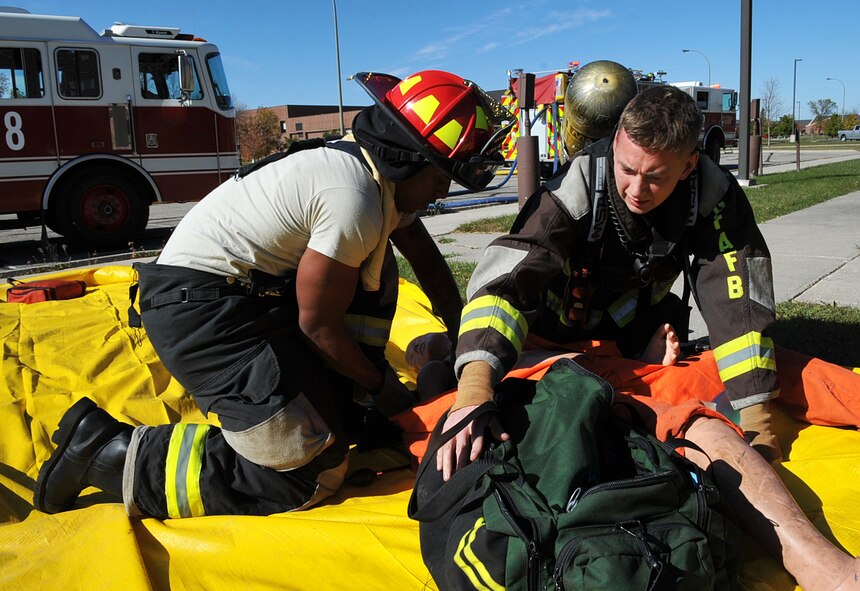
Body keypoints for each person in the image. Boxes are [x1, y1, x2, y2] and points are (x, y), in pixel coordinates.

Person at [438, 63, 860, 590]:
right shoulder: (575, 190)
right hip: (548, 355)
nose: (636, 189)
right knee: (689, 420)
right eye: (627, 169)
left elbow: (739, 309)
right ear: (615, 142)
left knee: (786, 368)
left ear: (689, 164)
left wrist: (759, 424)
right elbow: (502, 287)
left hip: (632, 349)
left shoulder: (712, 196)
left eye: (656, 176)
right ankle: (830, 573)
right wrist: (474, 390)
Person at [33, 69, 512, 519]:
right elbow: (317, 326)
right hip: (203, 313)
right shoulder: (355, 201)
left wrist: (464, 336)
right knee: (311, 472)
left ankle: (345, 408)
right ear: (410, 162)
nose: (443, 191)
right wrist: (381, 386)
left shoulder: (370, 174)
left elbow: (426, 260)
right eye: (442, 175)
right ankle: (111, 454)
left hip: (236, 296)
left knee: (377, 268)